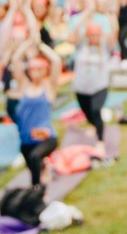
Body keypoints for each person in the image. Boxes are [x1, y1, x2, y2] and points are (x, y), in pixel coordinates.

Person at [11, 38, 62, 187]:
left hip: (46, 136)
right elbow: (15, 60)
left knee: (34, 159)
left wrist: (40, 44)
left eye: (40, 69)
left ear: (45, 70)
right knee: (33, 165)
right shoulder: (24, 86)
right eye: (33, 69)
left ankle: (37, 192)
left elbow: (56, 61)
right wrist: (27, 43)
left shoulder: (49, 87)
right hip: (27, 138)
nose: (37, 73)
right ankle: (43, 170)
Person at [71, 17, 114, 157]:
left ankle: (100, 141)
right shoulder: (81, 46)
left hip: (99, 86)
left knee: (96, 110)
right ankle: (95, 126)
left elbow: (114, 34)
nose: (94, 38)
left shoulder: (105, 46)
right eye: (91, 35)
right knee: (88, 113)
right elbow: (75, 32)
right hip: (82, 88)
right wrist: (86, 14)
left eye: (97, 35)